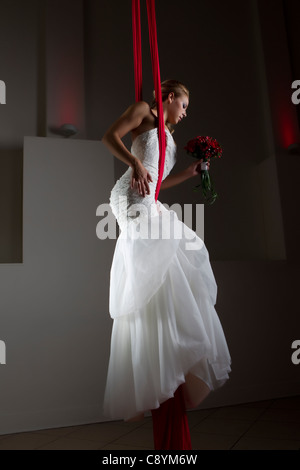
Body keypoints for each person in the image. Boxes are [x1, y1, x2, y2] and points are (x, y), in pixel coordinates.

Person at [102, 79, 231, 450]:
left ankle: (170, 355)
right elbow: (109, 137)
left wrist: (188, 175)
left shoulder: (169, 135)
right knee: (165, 259)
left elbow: (157, 184)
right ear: (170, 98)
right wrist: (134, 162)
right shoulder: (144, 111)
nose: (186, 112)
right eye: (184, 105)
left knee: (174, 265)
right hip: (129, 198)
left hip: (149, 197)